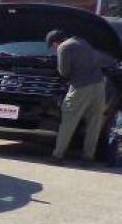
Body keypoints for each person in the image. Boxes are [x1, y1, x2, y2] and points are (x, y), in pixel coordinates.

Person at [47, 28, 111, 161]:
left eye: (52, 45)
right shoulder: (82, 42)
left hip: (81, 86)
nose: (54, 48)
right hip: (99, 85)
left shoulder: (63, 47)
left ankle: (57, 155)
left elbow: (64, 72)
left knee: (69, 119)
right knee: (94, 122)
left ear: (55, 42)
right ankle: (88, 157)